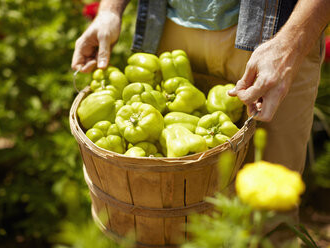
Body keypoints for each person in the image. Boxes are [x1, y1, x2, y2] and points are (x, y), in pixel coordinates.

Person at [71, 0, 330, 244]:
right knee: (165, 221)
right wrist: (109, 10)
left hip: (276, 31)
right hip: (170, 23)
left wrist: (291, 43)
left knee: (270, 218)